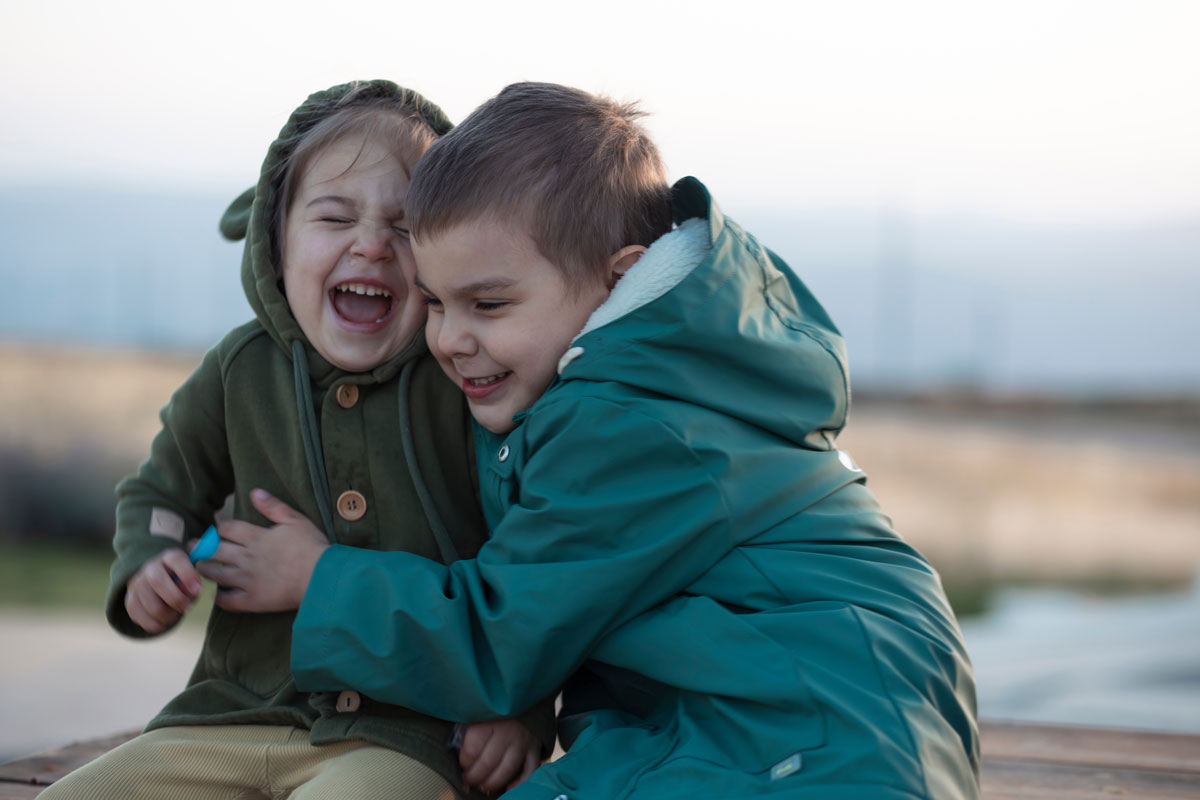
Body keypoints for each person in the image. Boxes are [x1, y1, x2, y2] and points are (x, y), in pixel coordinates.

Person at [216, 82, 981, 798]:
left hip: (820, 729)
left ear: (618, 281)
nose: (448, 339)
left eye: (488, 302)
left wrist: (322, 579)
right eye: (435, 303)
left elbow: (502, 635)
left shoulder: (632, 424)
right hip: (764, 713)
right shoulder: (641, 382)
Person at [40, 80, 552, 800]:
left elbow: (533, 573)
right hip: (230, 714)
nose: (371, 245)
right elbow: (160, 492)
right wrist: (150, 560)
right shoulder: (238, 370)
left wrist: (520, 708)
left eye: (406, 229)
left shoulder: (465, 382)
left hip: (406, 733)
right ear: (274, 242)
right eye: (335, 217)